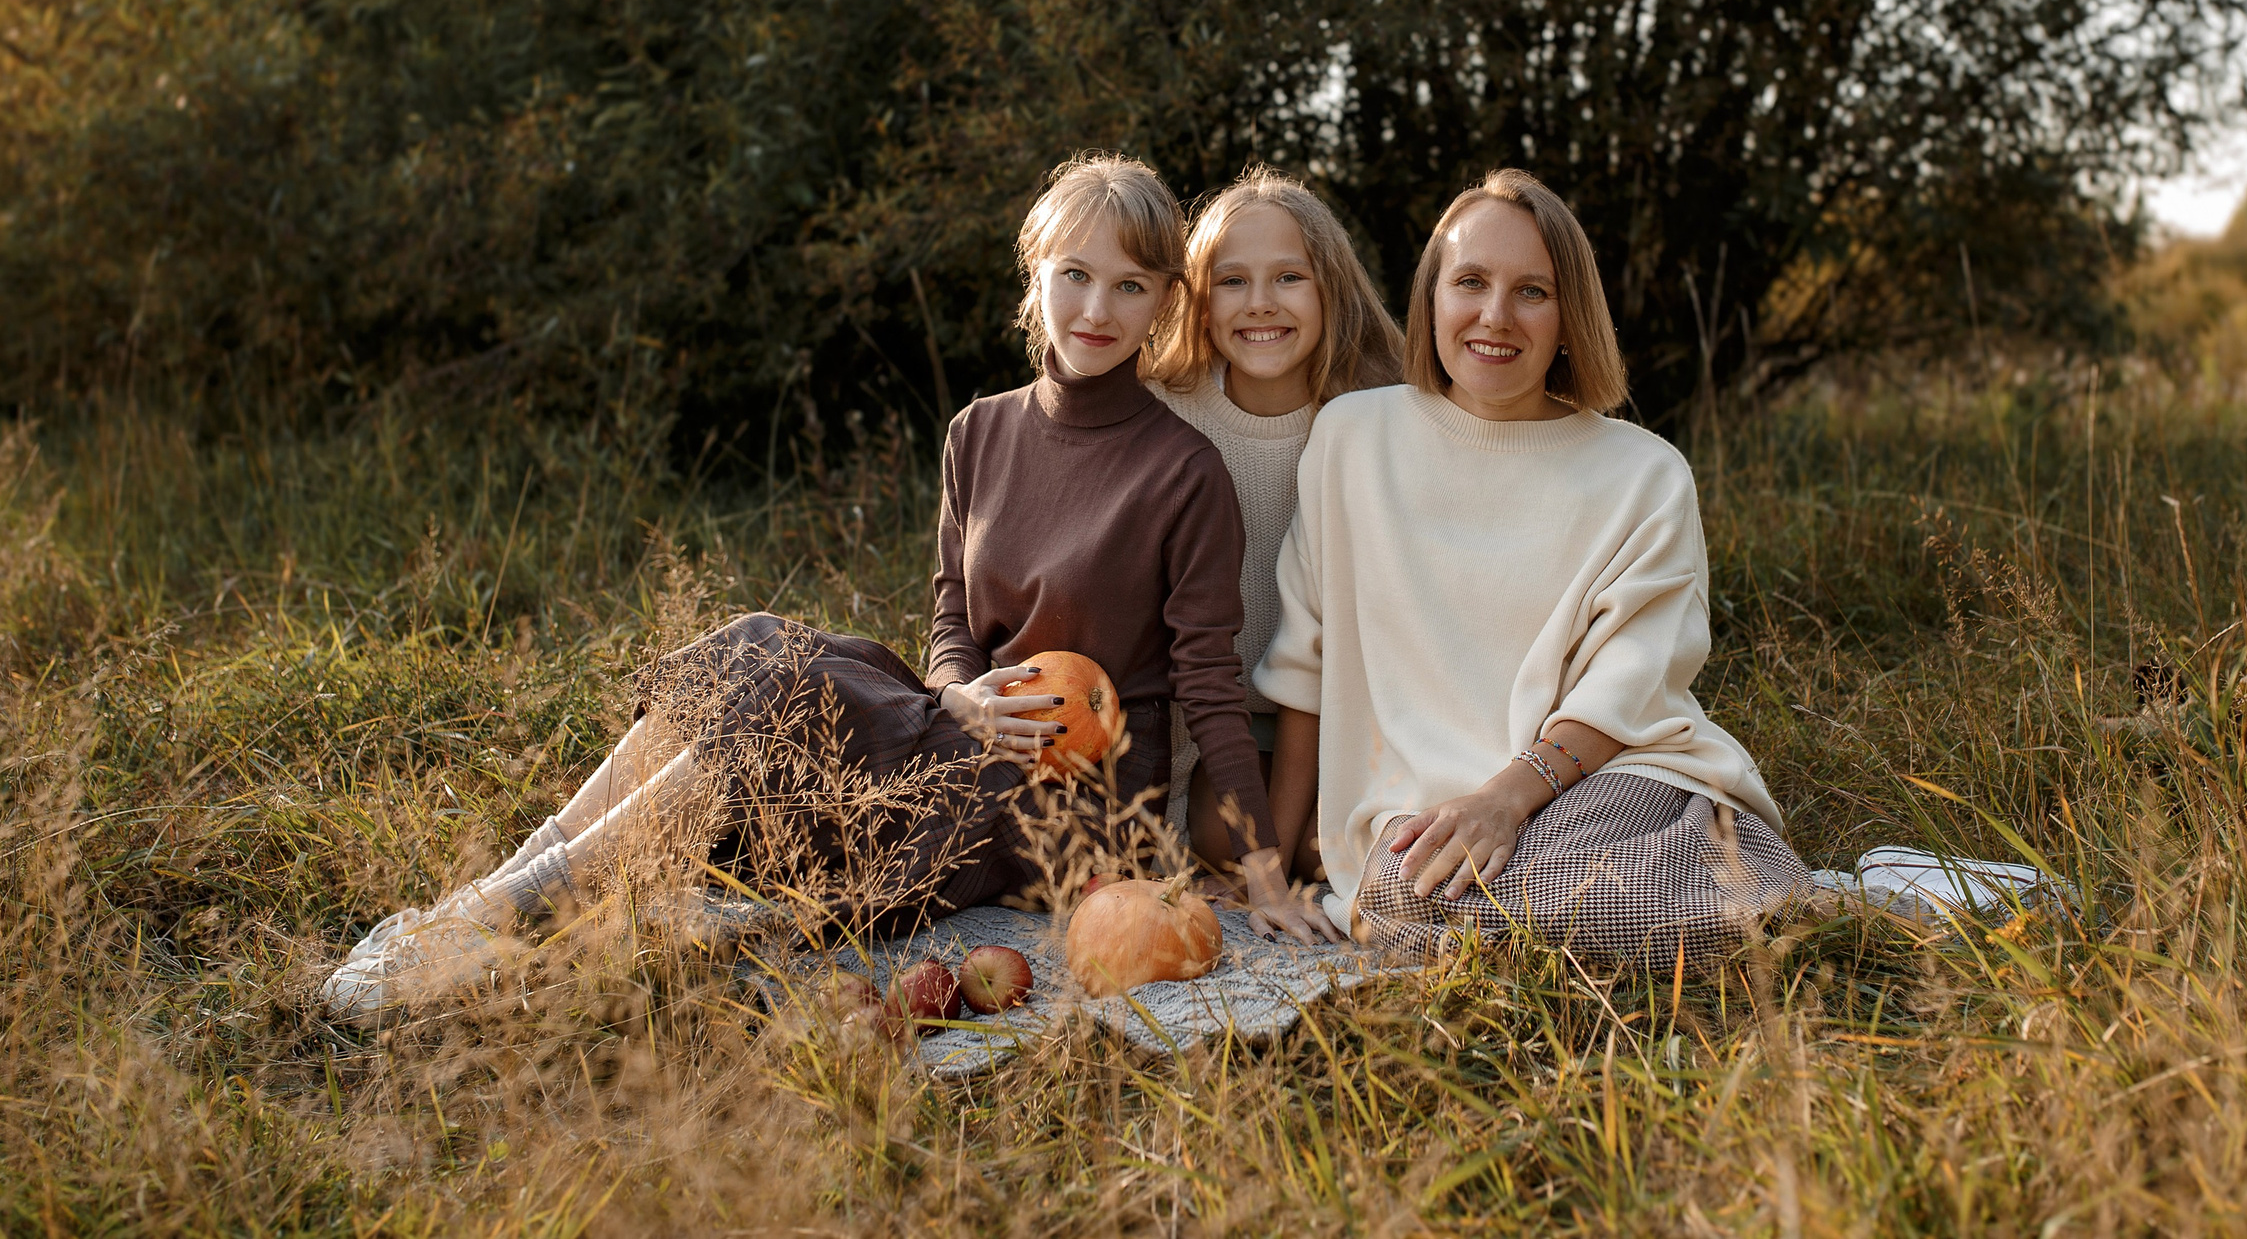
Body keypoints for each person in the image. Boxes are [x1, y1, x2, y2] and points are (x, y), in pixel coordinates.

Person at [322, 155, 1331, 1021]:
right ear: (1034, 277)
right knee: (763, 650)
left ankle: (494, 919)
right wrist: (955, 692)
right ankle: (492, 902)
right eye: (1074, 275)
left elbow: (1205, 676)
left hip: (1074, 797)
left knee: (809, 691)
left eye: (1129, 286)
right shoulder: (978, 432)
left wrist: (1260, 873)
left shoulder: (1182, 469)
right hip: (966, 727)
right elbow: (950, 615)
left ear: (1164, 302)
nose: (1096, 310)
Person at [1253, 169, 1806, 967]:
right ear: (1431, 299)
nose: (1495, 316)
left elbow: (1631, 682)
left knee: (1529, 902)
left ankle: (1744, 900)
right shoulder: (1351, 440)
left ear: (1569, 315)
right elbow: (1304, 671)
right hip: (1423, 824)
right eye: (1470, 281)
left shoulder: (1645, 474)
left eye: (1532, 292)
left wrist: (1504, 801)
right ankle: (1745, 916)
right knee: (1411, 895)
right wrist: (1277, 861)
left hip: (1599, 785)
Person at [1143, 168, 1405, 873]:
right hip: (1210, 723)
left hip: (1343, 718)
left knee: (1336, 852)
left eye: (1289, 276)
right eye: (1232, 281)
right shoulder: (1163, 412)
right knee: (1226, 840)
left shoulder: (1376, 418)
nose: (1260, 304)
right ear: (1198, 301)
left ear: (1330, 289)